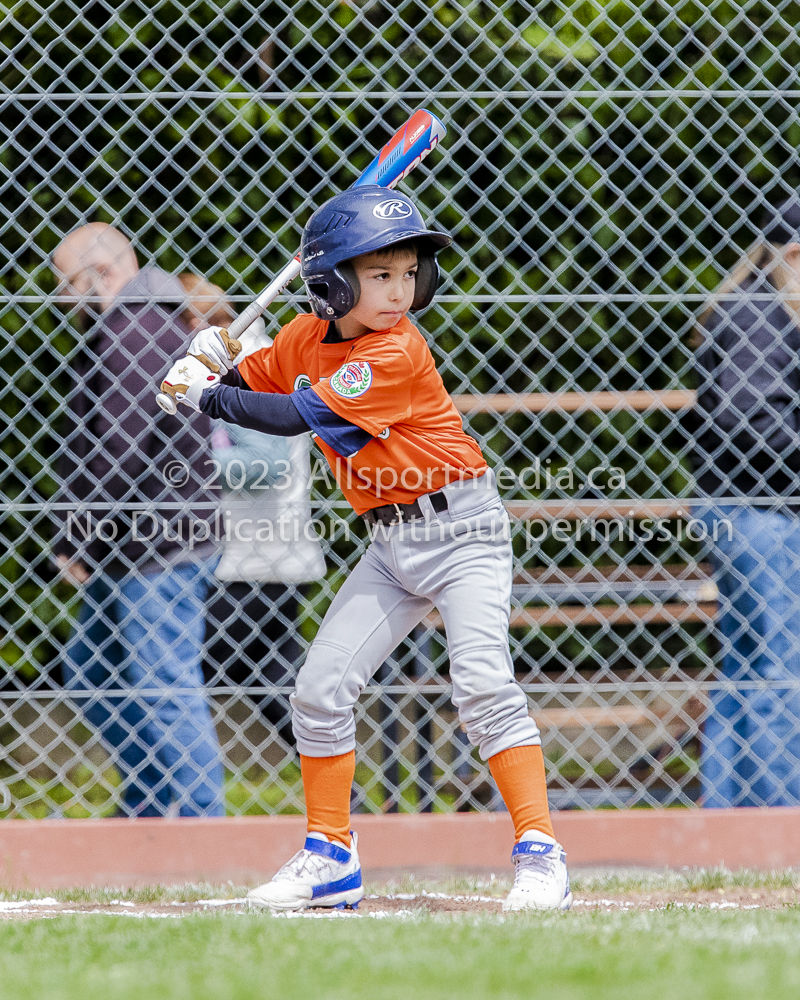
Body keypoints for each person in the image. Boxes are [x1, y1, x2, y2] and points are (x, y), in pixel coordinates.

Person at [160, 187, 571, 911]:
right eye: (379, 275)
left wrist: (202, 394)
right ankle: (330, 857)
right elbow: (245, 382)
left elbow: (287, 415)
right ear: (331, 283)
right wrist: (208, 353)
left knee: (481, 685)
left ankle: (540, 851)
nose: (399, 290)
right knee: (318, 692)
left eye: (407, 273)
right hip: (392, 543)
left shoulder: (395, 351)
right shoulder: (301, 339)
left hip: (464, 532)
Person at [51, 223, 224, 817]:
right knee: (90, 669)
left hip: (158, 540)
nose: (59, 301)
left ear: (99, 276)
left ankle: (206, 829)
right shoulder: (138, 323)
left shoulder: (138, 326)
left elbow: (121, 444)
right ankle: (147, 808)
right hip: (126, 541)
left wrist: (77, 534)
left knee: (164, 685)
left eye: (64, 286)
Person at [179, 275, 325, 749]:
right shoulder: (249, 355)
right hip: (267, 558)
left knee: (178, 666)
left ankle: (186, 798)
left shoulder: (243, 361)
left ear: (200, 321)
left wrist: (186, 469)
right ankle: (348, 792)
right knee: (273, 684)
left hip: (248, 562)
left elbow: (266, 463)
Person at [692, 196, 800, 807]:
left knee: (748, 665)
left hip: (742, 507)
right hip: (758, 511)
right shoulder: (763, 315)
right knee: (780, 669)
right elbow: (752, 419)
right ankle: (784, 820)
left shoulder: (757, 307)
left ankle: (730, 818)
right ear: (792, 256)